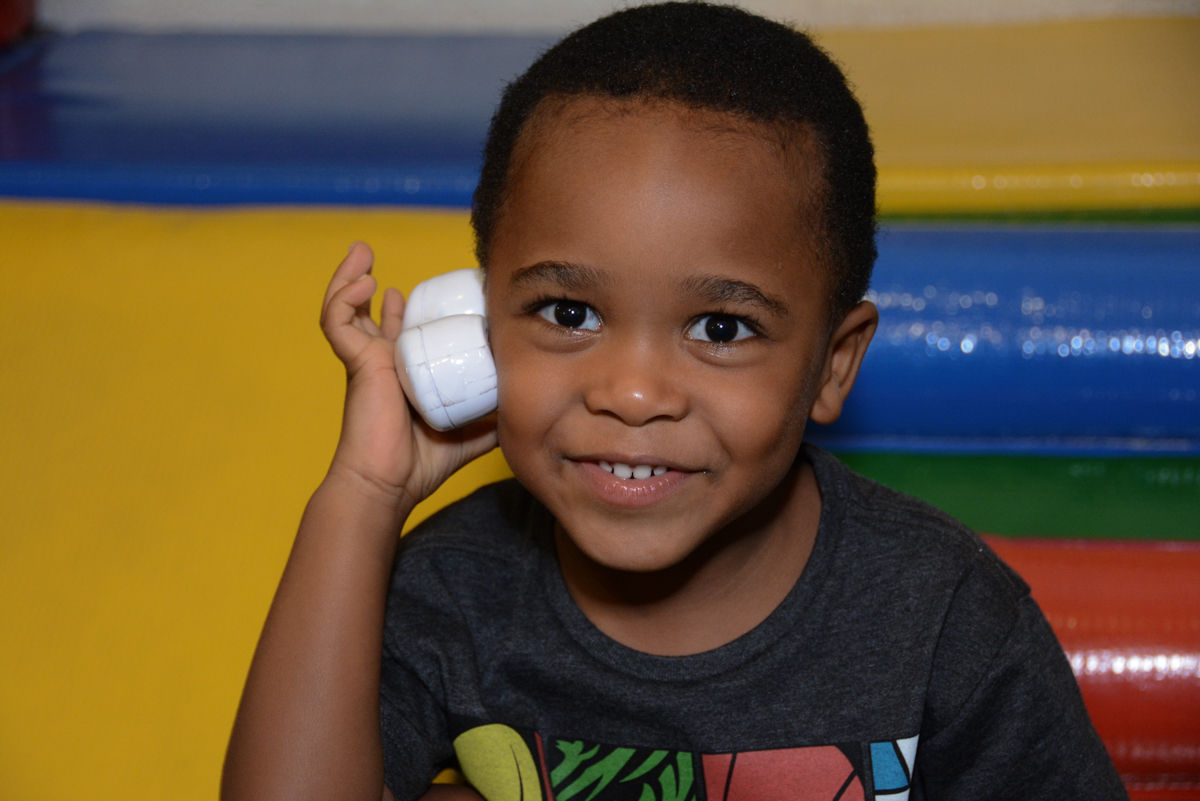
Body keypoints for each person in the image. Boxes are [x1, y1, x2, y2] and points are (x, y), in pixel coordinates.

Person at [221, 4, 1127, 800]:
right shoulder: (451, 591)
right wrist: (363, 496)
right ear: (474, 322)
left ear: (831, 365)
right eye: (568, 312)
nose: (634, 393)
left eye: (721, 329)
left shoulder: (943, 617)